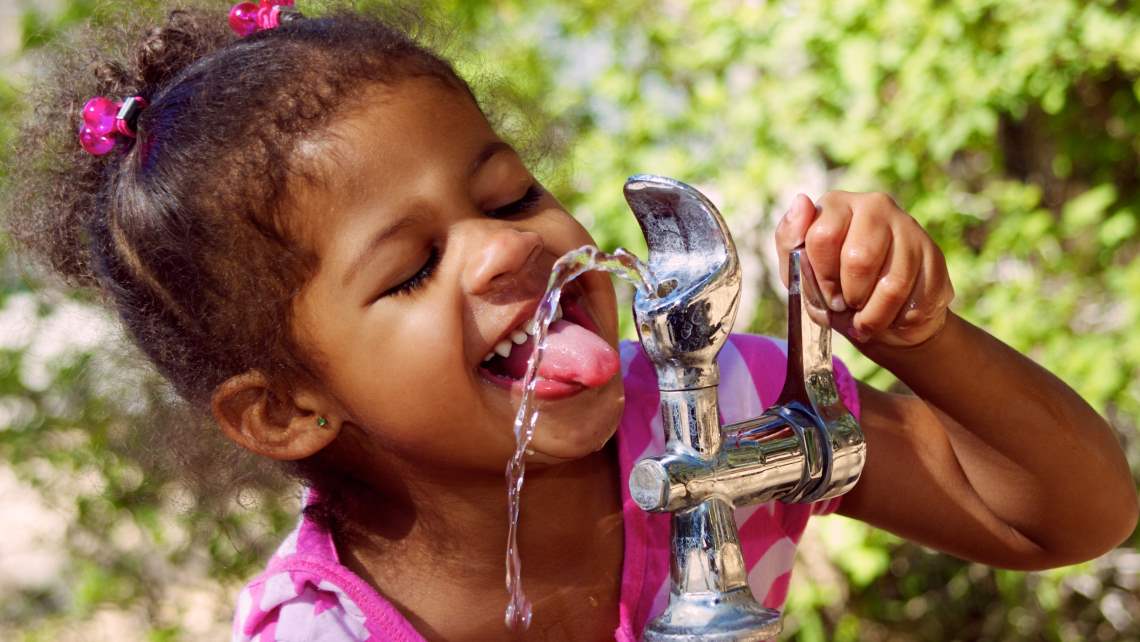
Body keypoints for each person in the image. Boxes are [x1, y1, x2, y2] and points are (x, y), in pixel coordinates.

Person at [5, 2, 1136, 640]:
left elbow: (1069, 519)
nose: (509, 247)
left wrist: (912, 333)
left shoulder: (721, 415)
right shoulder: (330, 634)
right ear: (288, 406)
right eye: (409, 271)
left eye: (507, 197)